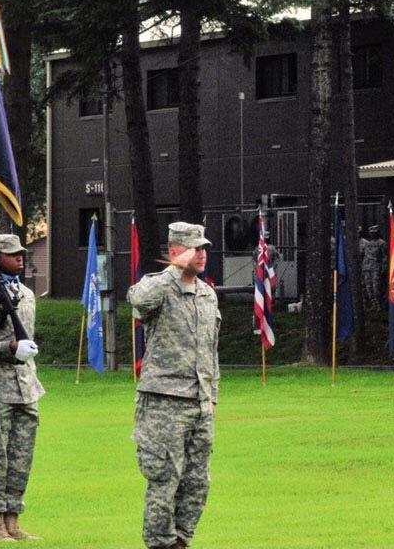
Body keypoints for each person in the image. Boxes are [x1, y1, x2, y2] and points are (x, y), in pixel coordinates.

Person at [127, 222, 222, 549]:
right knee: (165, 479)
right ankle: (159, 543)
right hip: (164, 403)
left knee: (197, 483)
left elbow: (211, 351)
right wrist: (172, 271)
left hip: (199, 403)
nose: (202, 254)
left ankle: (181, 541)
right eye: (195, 248)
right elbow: (137, 301)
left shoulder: (207, 295)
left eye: (204, 248)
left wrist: (212, 397)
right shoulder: (160, 286)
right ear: (175, 252)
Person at [0, 234, 44, 542]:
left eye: (21, 253)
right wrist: (9, 347)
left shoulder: (26, 294)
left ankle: (14, 518)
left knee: (21, 455)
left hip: (27, 386)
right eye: (11, 254)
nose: (19, 258)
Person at [360, 225, 387, 312]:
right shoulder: (369, 243)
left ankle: (379, 305)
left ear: (378, 233)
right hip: (366, 268)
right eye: (371, 233)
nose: (372, 234)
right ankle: (373, 304)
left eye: (374, 233)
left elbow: (384, 257)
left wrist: (384, 268)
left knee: (376, 288)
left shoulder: (382, 243)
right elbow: (364, 255)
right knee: (369, 288)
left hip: (376, 268)